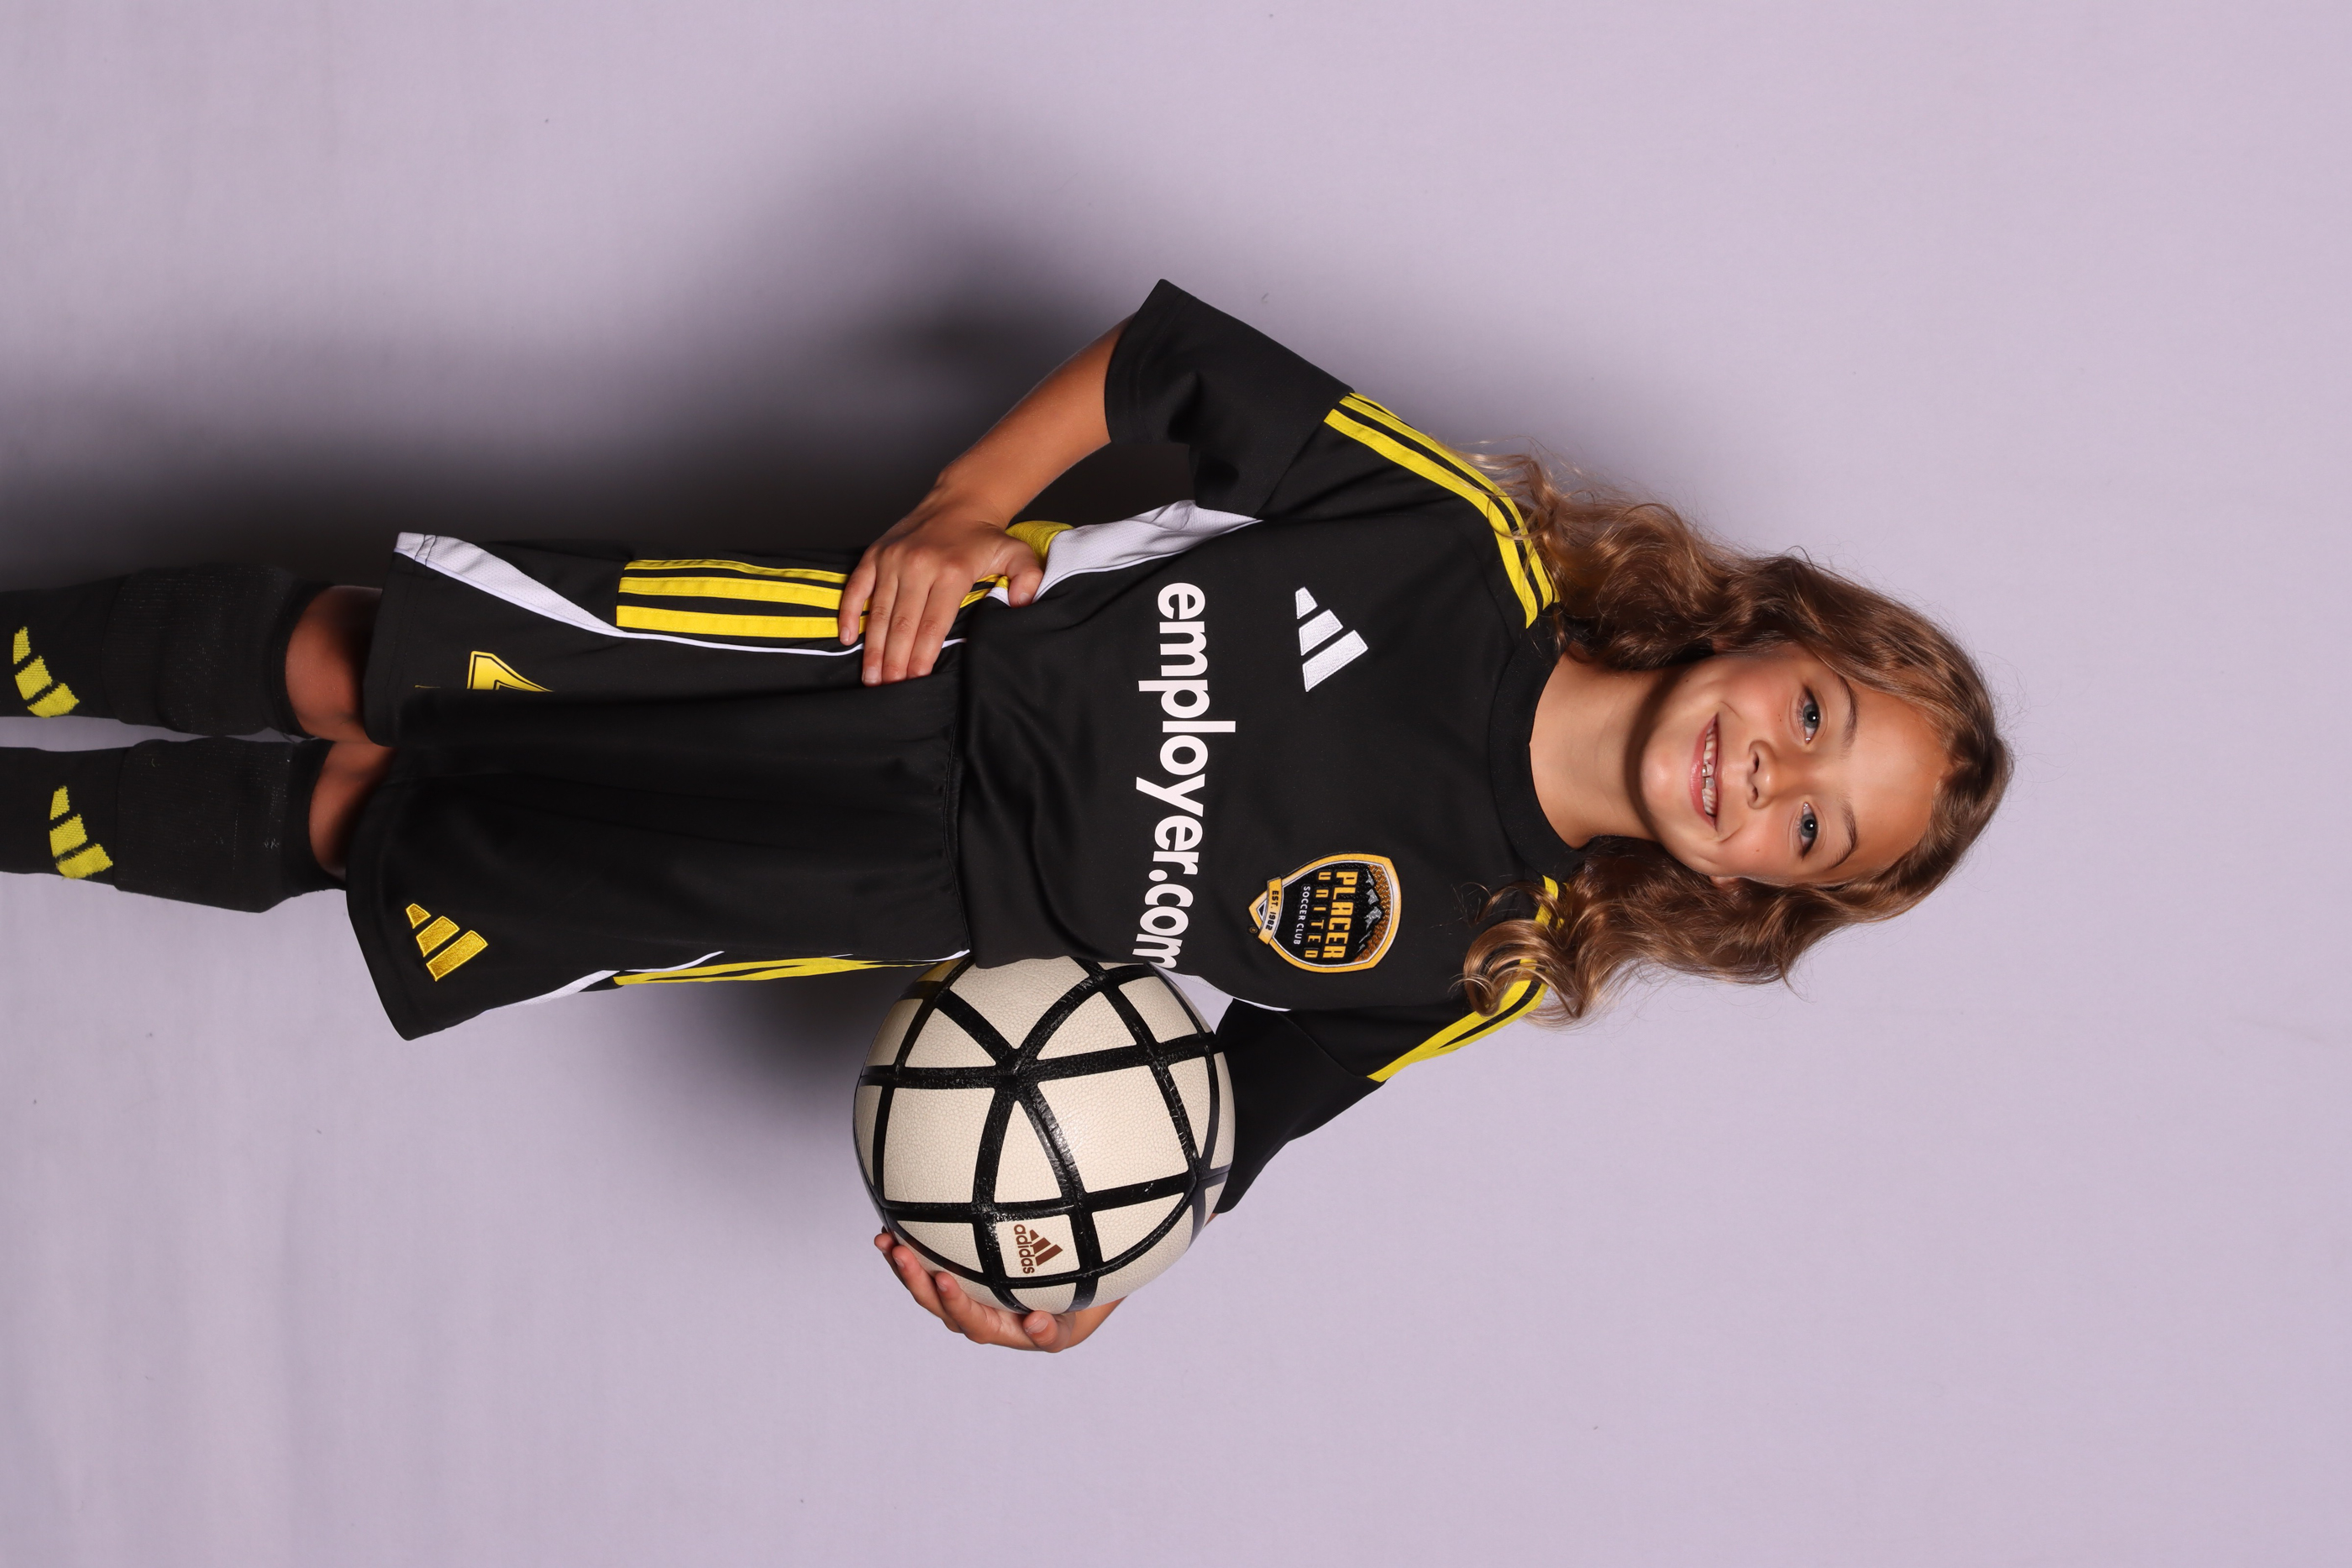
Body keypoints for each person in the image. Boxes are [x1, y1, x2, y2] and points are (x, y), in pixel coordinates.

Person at [0, 282, 2008, 1353]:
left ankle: (20, 823)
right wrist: (968, 507)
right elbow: (1169, 364)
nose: (1772, 774)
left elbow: (1227, 1127)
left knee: (388, 839)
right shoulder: (1454, 547)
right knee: (376, 664)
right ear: (1762, 628)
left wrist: (1070, 1275)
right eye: (1813, 717)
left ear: (1747, 893)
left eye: (1810, 832)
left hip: (881, 878)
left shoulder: (1486, 953)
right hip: (884, 661)